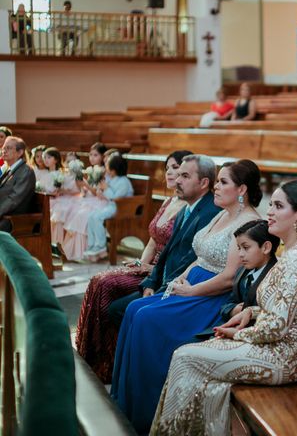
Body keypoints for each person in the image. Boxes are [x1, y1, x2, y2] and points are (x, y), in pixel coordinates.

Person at [151, 180, 297, 435]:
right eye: (271, 205)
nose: (269, 211)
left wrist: (237, 334)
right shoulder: (295, 251)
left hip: (288, 357)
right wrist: (250, 312)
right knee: (205, 372)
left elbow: (276, 327)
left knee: (185, 358)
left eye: (279, 206)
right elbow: (286, 310)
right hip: (275, 344)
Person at [111, 160, 262, 433]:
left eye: (223, 182)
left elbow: (229, 277)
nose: (216, 186)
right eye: (217, 181)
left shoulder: (250, 222)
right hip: (192, 283)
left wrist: (191, 289)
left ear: (242, 189)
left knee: (147, 318)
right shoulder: (221, 214)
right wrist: (183, 276)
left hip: (212, 296)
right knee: (135, 309)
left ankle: (146, 411)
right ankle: (125, 401)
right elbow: (201, 255)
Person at [75, 151, 190, 383]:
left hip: (161, 272)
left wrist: (151, 270)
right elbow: (152, 240)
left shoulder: (188, 208)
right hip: (148, 267)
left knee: (106, 286)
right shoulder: (169, 201)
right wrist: (141, 263)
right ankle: (95, 357)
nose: (169, 172)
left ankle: (111, 362)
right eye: (167, 167)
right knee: (98, 281)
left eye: (176, 167)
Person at [107, 154, 220, 326]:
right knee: (113, 303)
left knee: (124, 311)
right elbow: (167, 251)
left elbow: (190, 259)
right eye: (178, 174)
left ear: (204, 183)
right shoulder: (185, 209)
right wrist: (150, 283)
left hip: (180, 287)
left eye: (185, 176)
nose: (178, 180)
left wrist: (161, 290)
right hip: (161, 280)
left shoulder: (210, 213)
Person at [75, 153, 134, 261]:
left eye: (108, 166)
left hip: (120, 208)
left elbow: (116, 198)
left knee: (97, 217)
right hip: (111, 206)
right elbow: (107, 195)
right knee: (91, 216)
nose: (106, 168)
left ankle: (100, 245)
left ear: (114, 170)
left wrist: (106, 189)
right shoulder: (112, 179)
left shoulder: (124, 182)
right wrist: (101, 192)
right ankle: (92, 244)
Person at [219, 219, 279, 322]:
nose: (240, 254)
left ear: (266, 247)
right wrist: (233, 310)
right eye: (239, 248)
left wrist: (245, 312)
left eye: (246, 247)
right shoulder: (241, 272)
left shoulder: (275, 278)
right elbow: (227, 304)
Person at [0, 136, 36, 232]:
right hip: (5, 215)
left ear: (20, 152)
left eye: (9, 148)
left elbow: (14, 199)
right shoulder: (9, 169)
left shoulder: (26, 171)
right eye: (3, 148)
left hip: (14, 220)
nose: (4, 151)